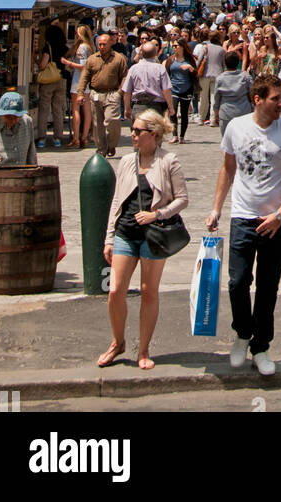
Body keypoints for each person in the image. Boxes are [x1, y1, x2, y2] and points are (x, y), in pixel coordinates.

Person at [206, 75, 281, 377]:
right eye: (276, 98)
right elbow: (227, 171)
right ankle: (242, 332)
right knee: (238, 281)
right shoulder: (236, 127)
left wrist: (280, 213)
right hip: (243, 215)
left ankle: (261, 345)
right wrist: (216, 209)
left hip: (276, 221)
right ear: (258, 100)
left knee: (267, 286)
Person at [99, 108, 188, 370]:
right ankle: (118, 342)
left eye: (138, 131)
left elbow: (182, 199)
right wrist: (109, 238)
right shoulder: (127, 161)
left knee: (149, 291)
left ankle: (145, 348)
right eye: (132, 130)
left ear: (154, 134)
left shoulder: (169, 161)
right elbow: (117, 201)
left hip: (154, 235)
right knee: (115, 290)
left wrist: (157, 214)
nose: (133, 135)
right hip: (125, 232)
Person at [77, 32, 128, 158]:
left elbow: (125, 76)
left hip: (112, 93)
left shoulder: (118, 58)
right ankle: (101, 149)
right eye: (99, 44)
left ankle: (112, 144)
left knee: (112, 120)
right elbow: (84, 77)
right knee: (97, 124)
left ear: (111, 43)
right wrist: (80, 93)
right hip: (95, 93)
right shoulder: (92, 59)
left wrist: (119, 93)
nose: (102, 47)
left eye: (104, 44)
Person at [121, 41, 174, 125]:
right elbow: (166, 90)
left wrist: (127, 108)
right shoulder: (160, 69)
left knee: (138, 134)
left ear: (141, 53)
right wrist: (171, 107)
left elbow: (127, 91)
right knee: (154, 134)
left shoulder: (133, 69)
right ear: (155, 53)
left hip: (138, 107)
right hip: (156, 108)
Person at [0, 91, 37, 166]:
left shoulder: (27, 122)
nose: (12, 120)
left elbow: (31, 152)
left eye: (16, 117)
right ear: (1, 114)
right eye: (8, 117)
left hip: (23, 174)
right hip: (0, 176)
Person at [36, 22, 68, 149]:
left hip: (48, 81)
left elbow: (43, 65)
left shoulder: (47, 48)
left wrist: (36, 60)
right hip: (61, 79)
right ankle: (58, 138)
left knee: (44, 109)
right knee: (58, 110)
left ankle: (42, 138)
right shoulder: (64, 48)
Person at [61, 25, 94, 148]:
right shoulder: (90, 47)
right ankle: (85, 137)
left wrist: (68, 63)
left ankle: (76, 138)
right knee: (87, 110)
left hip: (78, 81)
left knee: (76, 109)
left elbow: (83, 66)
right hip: (87, 81)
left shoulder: (81, 48)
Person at [165, 39, 197, 144]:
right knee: (173, 112)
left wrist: (190, 68)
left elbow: (195, 74)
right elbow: (167, 74)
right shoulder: (171, 60)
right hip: (173, 88)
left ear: (182, 47)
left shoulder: (189, 59)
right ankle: (175, 135)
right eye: (173, 46)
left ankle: (182, 136)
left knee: (184, 113)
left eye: (176, 46)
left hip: (186, 88)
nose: (174, 48)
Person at [214, 52, 254, 134]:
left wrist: (216, 113)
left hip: (226, 113)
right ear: (238, 62)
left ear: (225, 63)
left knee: (227, 140)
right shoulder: (246, 77)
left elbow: (217, 98)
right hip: (244, 112)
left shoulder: (220, 79)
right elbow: (252, 94)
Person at [200, 30, 227, 126]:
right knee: (214, 98)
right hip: (218, 75)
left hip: (205, 74)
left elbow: (199, 60)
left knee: (203, 98)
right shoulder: (222, 50)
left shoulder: (205, 47)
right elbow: (224, 64)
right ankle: (213, 120)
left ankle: (201, 118)